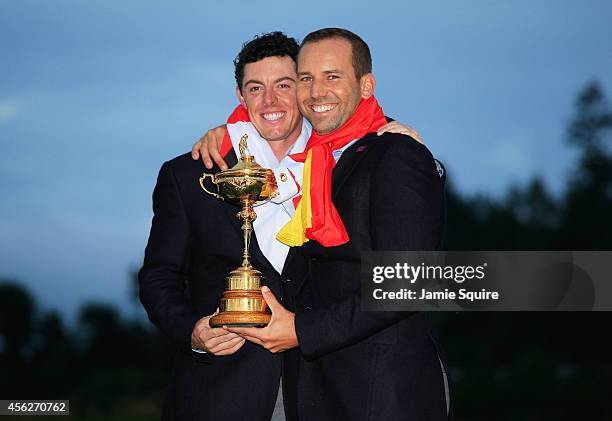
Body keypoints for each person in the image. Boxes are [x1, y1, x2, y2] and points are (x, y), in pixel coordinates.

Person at [139, 31, 420, 421]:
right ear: (240, 96)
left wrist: (396, 135)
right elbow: (158, 276)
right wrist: (192, 331)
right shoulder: (189, 174)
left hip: (327, 390)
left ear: (303, 90)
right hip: (218, 395)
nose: (269, 101)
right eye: (256, 88)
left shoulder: (345, 162)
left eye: (285, 85)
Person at [220, 28, 451, 421]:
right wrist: (221, 134)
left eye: (333, 77)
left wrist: (302, 331)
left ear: (366, 86)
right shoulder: (318, 161)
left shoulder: (395, 152)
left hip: (383, 391)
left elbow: (408, 280)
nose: (315, 92)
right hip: (322, 390)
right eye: (306, 79)